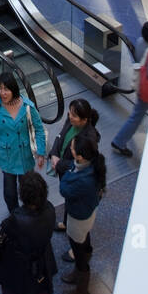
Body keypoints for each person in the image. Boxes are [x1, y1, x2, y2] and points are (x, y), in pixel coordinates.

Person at [0, 170, 57, 294]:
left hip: (19, 269)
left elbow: (5, 237)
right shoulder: (50, 211)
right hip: (42, 264)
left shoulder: (15, 219)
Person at [0, 70, 46, 212]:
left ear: (13, 89)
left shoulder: (27, 106)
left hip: (25, 155)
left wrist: (41, 152)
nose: (2, 92)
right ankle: (15, 215)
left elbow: (39, 129)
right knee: (10, 193)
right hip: (7, 157)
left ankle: (31, 214)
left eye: (6, 89)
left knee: (29, 191)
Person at [60, 130, 107, 294]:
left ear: (79, 157)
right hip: (88, 214)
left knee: (77, 248)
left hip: (78, 218)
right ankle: (78, 272)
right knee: (84, 240)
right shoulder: (93, 167)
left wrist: (68, 170)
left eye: (72, 149)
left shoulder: (81, 179)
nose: (70, 150)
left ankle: (81, 291)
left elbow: (64, 189)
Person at [111, 20, 148, 157]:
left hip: (141, 85)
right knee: (136, 117)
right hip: (146, 90)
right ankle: (119, 142)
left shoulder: (139, 41)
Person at [49, 98, 100, 230]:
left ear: (84, 120)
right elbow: (60, 136)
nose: (70, 117)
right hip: (62, 166)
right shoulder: (71, 121)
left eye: (74, 115)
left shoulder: (89, 139)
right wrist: (54, 153)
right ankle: (67, 222)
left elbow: (81, 163)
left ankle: (68, 224)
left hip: (70, 172)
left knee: (71, 197)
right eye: (70, 113)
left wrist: (59, 164)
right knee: (69, 198)